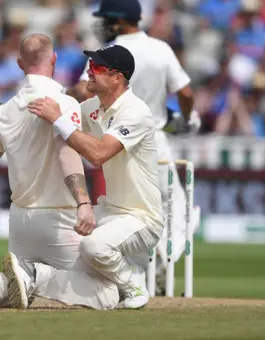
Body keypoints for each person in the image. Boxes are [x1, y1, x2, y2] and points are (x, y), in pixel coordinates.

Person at [0, 34, 120, 310]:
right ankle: (34, 276)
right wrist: (84, 202)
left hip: (20, 225)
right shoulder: (63, 103)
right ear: (54, 59)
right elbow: (67, 155)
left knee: (19, 288)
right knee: (108, 294)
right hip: (61, 222)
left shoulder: (3, 113)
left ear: (19, 64)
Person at [66, 0, 200, 294]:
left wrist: (58, 97)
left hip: (116, 135)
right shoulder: (161, 48)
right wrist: (186, 120)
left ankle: (143, 274)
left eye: (106, 20)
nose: (103, 25)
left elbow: (82, 91)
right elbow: (187, 94)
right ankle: (159, 270)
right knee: (177, 212)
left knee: (131, 209)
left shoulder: (111, 50)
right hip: (155, 140)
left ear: (119, 21)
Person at [15, 43, 163, 309]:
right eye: (90, 66)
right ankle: (37, 279)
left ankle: (133, 283)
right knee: (64, 237)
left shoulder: (135, 112)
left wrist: (59, 119)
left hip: (142, 217)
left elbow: (98, 154)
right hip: (110, 211)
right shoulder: (94, 106)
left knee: (94, 247)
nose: (89, 72)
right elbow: (47, 118)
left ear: (117, 77)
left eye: (97, 67)